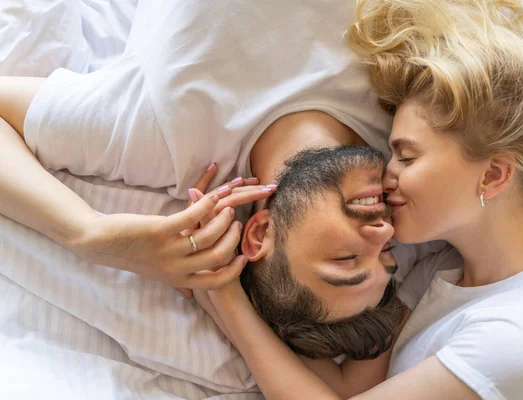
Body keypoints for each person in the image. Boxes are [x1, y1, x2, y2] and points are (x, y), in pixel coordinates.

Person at [200, 0, 523, 398]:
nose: (387, 176)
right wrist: (226, 276)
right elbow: (344, 387)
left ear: (493, 175)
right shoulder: (446, 270)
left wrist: (220, 292)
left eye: (407, 157)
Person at [0, 0, 420, 362]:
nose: (383, 232)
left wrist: (90, 233)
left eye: (347, 260)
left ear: (259, 234)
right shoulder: (415, 124)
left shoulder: (166, 138)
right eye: (387, 256)